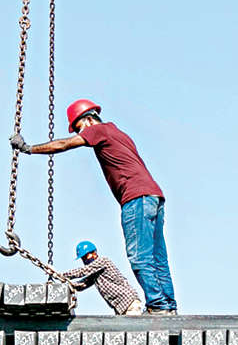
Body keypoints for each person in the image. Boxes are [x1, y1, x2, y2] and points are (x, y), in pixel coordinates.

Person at [11, 99, 177, 314]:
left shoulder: (98, 129)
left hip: (136, 198)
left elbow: (64, 144)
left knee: (139, 257)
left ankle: (158, 305)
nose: (81, 134)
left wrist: (28, 149)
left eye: (79, 128)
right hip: (154, 197)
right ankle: (168, 307)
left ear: (88, 119)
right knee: (157, 258)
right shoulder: (118, 133)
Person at [59, 240, 142, 315]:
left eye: (86, 256)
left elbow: (83, 271)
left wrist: (62, 275)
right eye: (83, 258)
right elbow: (84, 283)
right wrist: (70, 285)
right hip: (120, 307)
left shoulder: (103, 261)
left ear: (94, 253)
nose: (84, 260)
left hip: (128, 302)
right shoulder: (95, 273)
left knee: (133, 326)